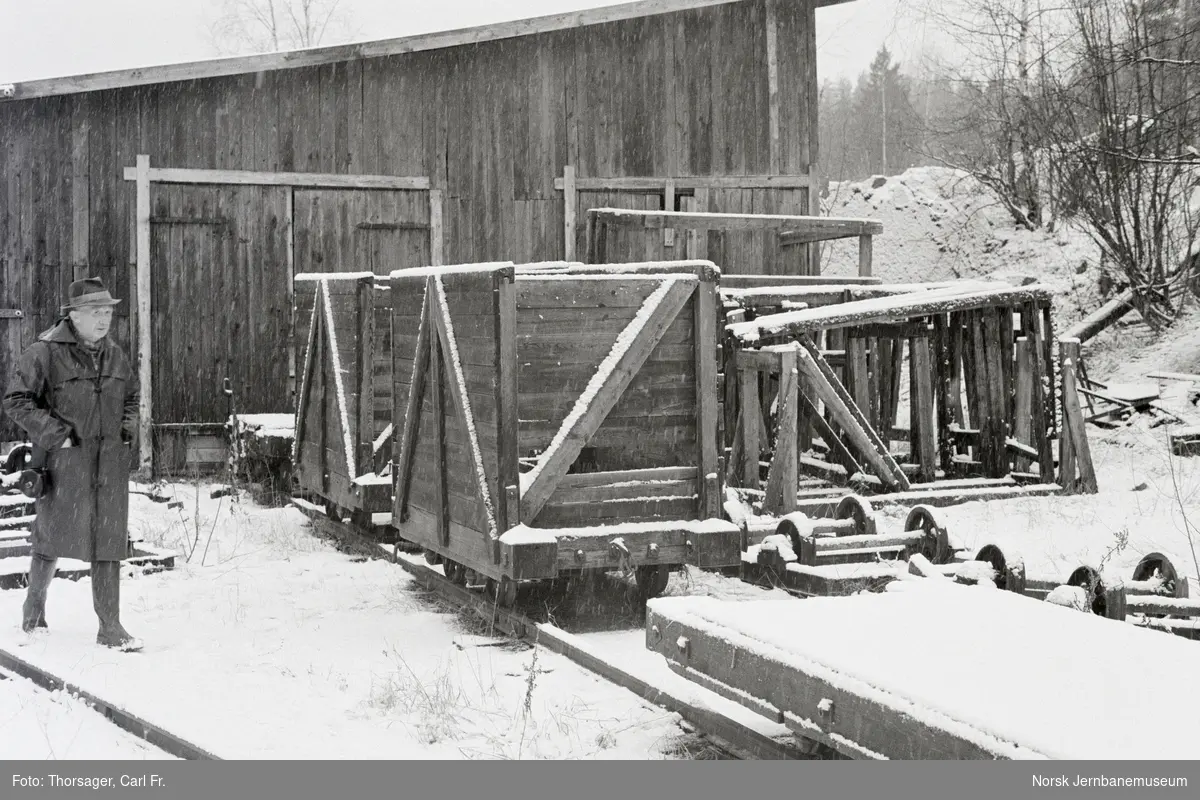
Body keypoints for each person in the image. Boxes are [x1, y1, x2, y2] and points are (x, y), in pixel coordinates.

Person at [2, 277, 143, 651]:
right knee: (50, 537)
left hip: (109, 464)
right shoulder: (44, 352)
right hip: (65, 463)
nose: (104, 319)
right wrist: (56, 435)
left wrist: (126, 433)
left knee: (108, 540)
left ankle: (109, 627)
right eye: (96, 312)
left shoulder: (115, 355)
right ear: (74, 315)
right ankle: (34, 609)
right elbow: (16, 400)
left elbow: (131, 398)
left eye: (109, 312)